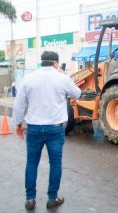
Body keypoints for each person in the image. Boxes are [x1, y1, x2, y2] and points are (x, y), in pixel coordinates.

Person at [12, 51, 81, 210]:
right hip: (55, 130)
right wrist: (64, 76)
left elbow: (19, 104)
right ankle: (52, 197)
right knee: (55, 163)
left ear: (42, 62)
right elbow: (77, 93)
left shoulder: (29, 79)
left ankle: (30, 199)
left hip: (34, 129)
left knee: (31, 163)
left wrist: (18, 124)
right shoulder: (62, 78)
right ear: (56, 63)